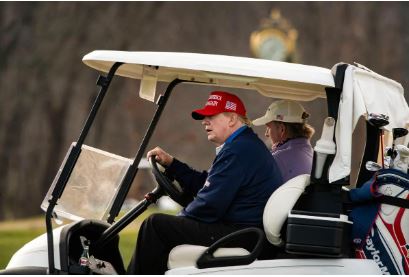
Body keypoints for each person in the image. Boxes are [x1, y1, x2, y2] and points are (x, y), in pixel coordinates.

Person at [127, 91, 283, 274]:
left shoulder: (238, 151)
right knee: (165, 227)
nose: (205, 121)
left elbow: (209, 206)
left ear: (232, 118)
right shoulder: (242, 145)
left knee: (155, 225)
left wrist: (179, 219)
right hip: (243, 230)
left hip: (243, 234)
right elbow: (207, 185)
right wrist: (173, 164)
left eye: (212, 116)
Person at [252, 100, 314, 183]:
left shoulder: (276, 160)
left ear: (281, 129)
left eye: (269, 128)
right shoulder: (311, 153)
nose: (266, 134)